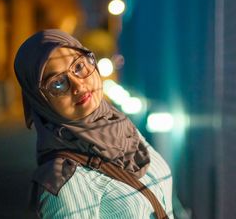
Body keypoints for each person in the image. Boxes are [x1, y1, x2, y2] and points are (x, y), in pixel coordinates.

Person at [14, 29, 173, 218]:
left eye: (79, 66)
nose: (78, 86)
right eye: (57, 83)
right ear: (40, 101)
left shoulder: (122, 128)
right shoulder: (65, 186)